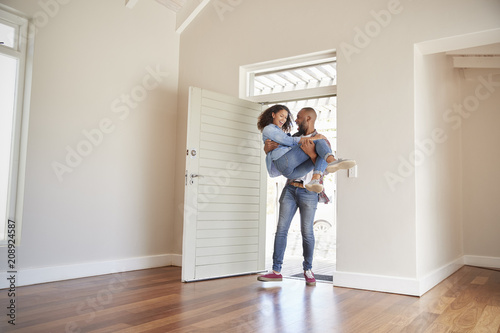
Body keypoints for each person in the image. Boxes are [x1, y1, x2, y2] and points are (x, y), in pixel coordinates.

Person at [257, 107, 353, 286]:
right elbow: (281, 151)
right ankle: (276, 270)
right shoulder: (295, 138)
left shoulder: (322, 140)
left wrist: (311, 153)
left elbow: (323, 167)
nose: (293, 121)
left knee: (307, 232)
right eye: (286, 117)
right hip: (291, 187)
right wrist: (267, 147)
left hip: (310, 190)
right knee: (281, 229)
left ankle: (308, 270)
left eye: (298, 118)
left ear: (307, 119)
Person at [257, 105, 355, 193]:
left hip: (292, 174)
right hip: (284, 165)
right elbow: (288, 141)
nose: (285, 119)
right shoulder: (269, 129)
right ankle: (332, 160)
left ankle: (315, 180)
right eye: (281, 116)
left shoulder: (280, 132)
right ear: (273, 115)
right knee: (320, 141)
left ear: (308, 118)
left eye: (285, 117)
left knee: (321, 148)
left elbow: (325, 170)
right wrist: (314, 138)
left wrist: (312, 154)